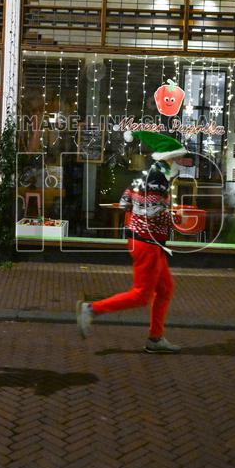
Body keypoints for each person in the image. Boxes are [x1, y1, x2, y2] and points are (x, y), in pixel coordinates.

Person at [77, 131, 185, 353]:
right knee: (142, 294)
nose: (180, 162)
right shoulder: (158, 179)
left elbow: (125, 201)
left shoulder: (145, 175)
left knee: (165, 289)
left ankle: (155, 339)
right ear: (167, 158)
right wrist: (175, 217)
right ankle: (92, 309)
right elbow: (153, 211)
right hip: (147, 242)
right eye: (177, 158)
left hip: (143, 240)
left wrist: (139, 214)